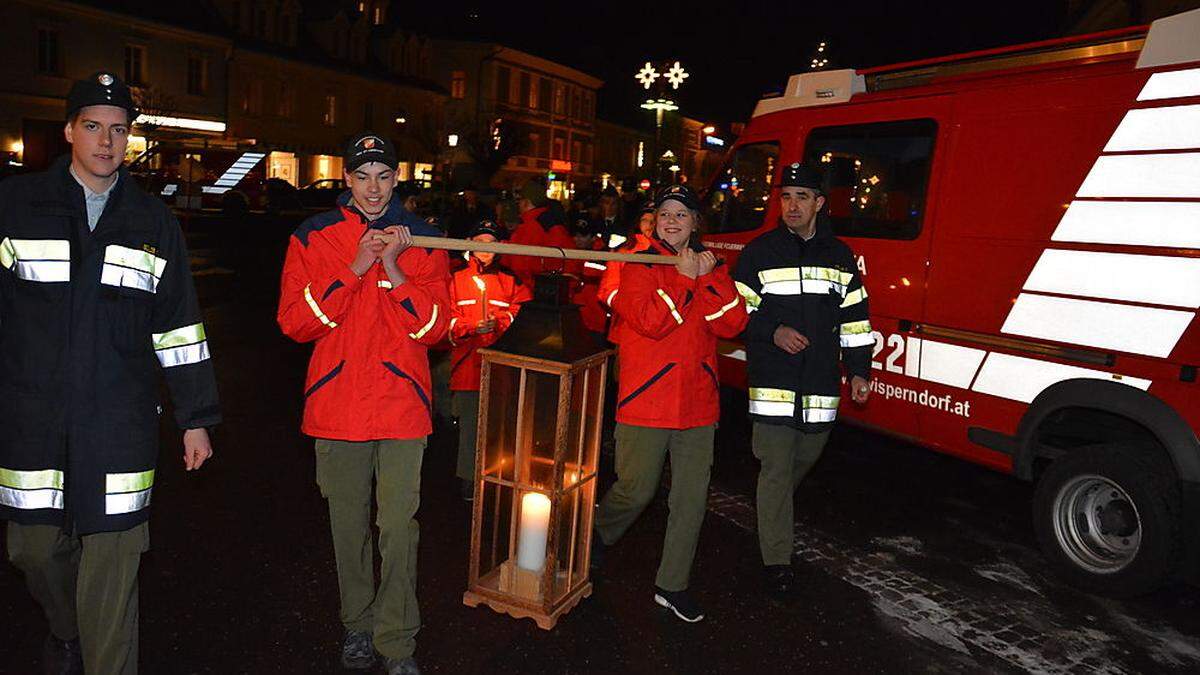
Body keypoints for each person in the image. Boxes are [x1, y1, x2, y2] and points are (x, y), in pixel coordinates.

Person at [0, 71, 220, 675]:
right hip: (32, 419)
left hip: (120, 423)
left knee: (115, 567)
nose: (106, 141)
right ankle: (65, 627)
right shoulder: (15, 207)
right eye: (93, 126)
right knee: (34, 549)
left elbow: (179, 327)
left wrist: (195, 418)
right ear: (69, 130)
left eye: (118, 130)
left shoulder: (153, 224)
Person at [277, 132, 450, 675]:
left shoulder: (426, 239)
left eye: (383, 176)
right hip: (336, 404)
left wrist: (396, 268)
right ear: (347, 180)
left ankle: (397, 641)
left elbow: (436, 328)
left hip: (402, 405)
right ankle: (357, 624)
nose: (373, 189)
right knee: (347, 524)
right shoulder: (312, 236)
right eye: (362, 176)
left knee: (399, 527)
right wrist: (355, 267)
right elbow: (296, 323)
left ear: (395, 178)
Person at [592, 185, 748, 623]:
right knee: (636, 489)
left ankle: (672, 585)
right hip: (647, 399)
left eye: (682, 213)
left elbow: (734, 323)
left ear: (696, 222)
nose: (673, 221)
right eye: (665, 214)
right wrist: (684, 278)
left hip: (698, 403)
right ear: (654, 220)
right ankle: (596, 537)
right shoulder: (637, 261)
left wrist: (710, 276)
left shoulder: (708, 266)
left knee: (691, 500)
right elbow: (651, 322)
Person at [732, 163, 872, 599]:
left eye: (801, 197)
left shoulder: (840, 255)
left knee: (800, 463)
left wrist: (860, 369)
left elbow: (855, 318)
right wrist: (771, 330)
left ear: (819, 204)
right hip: (773, 382)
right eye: (786, 196)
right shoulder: (759, 252)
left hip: (821, 385)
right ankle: (777, 561)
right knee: (775, 469)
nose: (792, 205)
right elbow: (736, 313)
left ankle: (770, 513)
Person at [447, 220, 532, 499]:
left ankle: (496, 474)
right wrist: (470, 327)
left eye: (491, 243)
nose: (485, 249)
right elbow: (446, 318)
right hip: (467, 366)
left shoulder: (511, 280)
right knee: (471, 426)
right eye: (480, 242)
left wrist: (499, 322)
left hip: (501, 366)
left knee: (500, 423)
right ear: (470, 243)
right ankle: (469, 478)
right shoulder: (455, 278)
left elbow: (523, 313)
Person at [506, 178, 574, 288]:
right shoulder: (549, 221)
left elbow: (520, 262)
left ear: (526, 202)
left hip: (534, 289)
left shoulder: (531, 225)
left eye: (520, 201)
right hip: (554, 286)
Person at [567, 217, 609, 336]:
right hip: (578, 319)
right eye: (575, 235)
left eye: (582, 235)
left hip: (596, 321)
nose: (577, 239)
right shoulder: (573, 253)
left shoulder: (604, 257)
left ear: (594, 237)